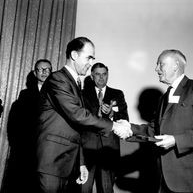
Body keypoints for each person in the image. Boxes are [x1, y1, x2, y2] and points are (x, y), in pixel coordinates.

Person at [35, 37, 131, 193]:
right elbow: (78, 115)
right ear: (74, 55)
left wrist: (80, 163)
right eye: (89, 57)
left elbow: (75, 129)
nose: (90, 63)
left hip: (66, 161)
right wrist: (113, 125)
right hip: (52, 161)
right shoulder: (58, 79)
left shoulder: (74, 83)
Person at [116, 49, 193, 192]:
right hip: (164, 178)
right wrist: (129, 127)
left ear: (175, 65)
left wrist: (176, 140)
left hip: (189, 179)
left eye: (160, 64)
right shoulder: (164, 97)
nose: (156, 69)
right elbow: (154, 129)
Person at [2, 59, 52, 192]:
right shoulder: (24, 96)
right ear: (35, 73)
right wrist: (17, 145)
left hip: (48, 152)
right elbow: (13, 126)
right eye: (40, 69)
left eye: (47, 70)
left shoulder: (58, 95)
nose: (44, 72)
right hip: (25, 152)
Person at [81, 62, 129, 193]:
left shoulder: (117, 94)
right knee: (83, 188)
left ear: (108, 75)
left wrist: (112, 114)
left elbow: (125, 119)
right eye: (97, 74)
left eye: (104, 74)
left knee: (106, 189)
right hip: (86, 149)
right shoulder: (82, 94)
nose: (101, 78)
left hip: (109, 150)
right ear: (91, 76)